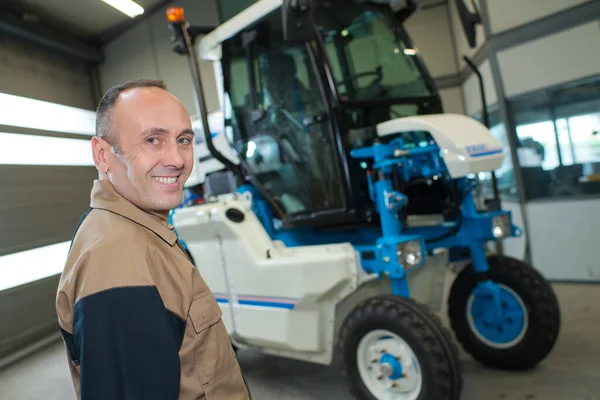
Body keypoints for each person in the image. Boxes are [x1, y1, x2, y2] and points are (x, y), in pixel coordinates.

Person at [55, 79, 251, 400]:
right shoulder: (118, 262)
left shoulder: (138, 227)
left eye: (183, 139)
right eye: (153, 140)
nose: (176, 159)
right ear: (103, 155)